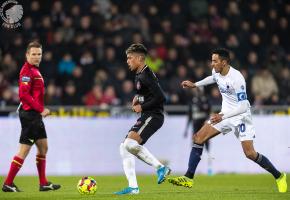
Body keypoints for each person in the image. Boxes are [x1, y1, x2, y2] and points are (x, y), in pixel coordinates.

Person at [167, 48, 287, 193]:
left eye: (215, 61)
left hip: (241, 117)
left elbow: (243, 106)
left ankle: (279, 176)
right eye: (212, 61)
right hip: (224, 115)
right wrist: (196, 84)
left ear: (224, 62)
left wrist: (222, 116)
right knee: (198, 137)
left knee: (250, 153)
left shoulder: (237, 78)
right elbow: (213, 79)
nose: (212, 64)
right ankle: (188, 178)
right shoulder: (216, 72)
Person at [2, 41, 61, 192]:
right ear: (27, 55)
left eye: (39, 54)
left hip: (34, 115)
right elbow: (23, 95)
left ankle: (43, 183)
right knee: (24, 150)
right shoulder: (27, 71)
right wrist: (41, 109)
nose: (36, 57)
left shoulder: (34, 70)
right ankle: (8, 183)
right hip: (30, 115)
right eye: (33, 54)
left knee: (43, 147)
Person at [114, 44, 171, 195]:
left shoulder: (146, 75)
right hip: (147, 115)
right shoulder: (139, 74)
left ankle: (161, 168)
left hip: (154, 116)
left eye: (130, 58)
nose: (128, 61)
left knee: (130, 144)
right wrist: (137, 98)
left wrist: (142, 107)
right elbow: (147, 94)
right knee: (124, 147)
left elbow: (161, 97)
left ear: (140, 59)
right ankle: (133, 187)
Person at [183, 87, 212, 175]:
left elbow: (208, 111)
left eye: (198, 90)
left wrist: (207, 121)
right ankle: (193, 168)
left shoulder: (204, 99)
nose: (196, 92)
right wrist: (186, 129)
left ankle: (209, 168)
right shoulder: (192, 100)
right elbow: (189, 114)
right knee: (195, 145)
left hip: (203, 124)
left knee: (206, 144)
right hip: (195, 124)